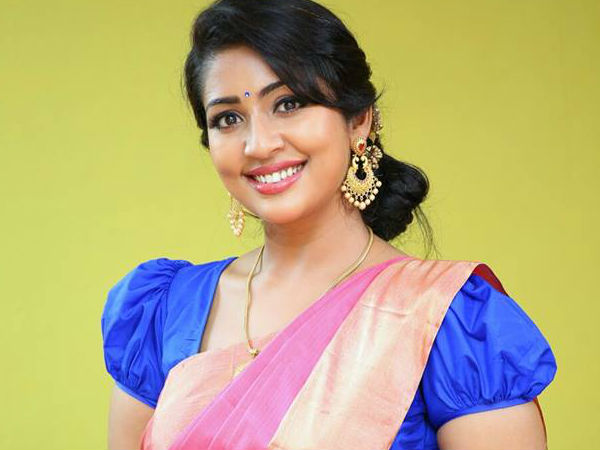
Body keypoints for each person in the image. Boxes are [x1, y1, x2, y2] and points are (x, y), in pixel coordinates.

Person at [100, 0, 557, 448]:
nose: (258, 144)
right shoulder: (164, 311)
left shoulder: (446, 321)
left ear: (359, 120)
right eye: (228, 119)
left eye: (288, 103)